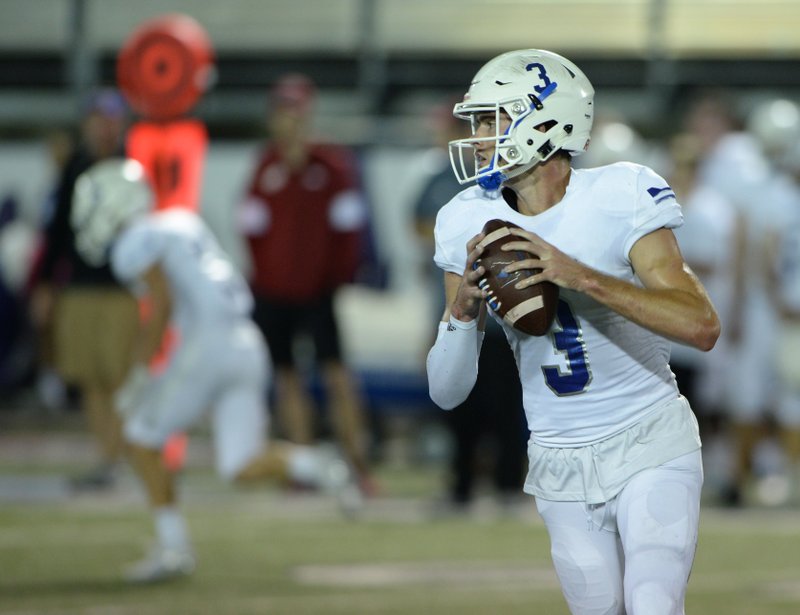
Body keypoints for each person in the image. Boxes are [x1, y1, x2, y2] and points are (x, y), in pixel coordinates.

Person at [426, 49, 720, 613]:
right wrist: (461, 312)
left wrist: (581, 276)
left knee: (653, 602)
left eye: (492, 119)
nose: (479, 135)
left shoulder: (621, 193)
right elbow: (447, 391)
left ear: (543, 119)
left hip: (648, 439)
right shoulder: (466, 216)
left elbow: (702, 326)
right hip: (558, 457)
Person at [70, 158, 359, 583]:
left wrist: (138, 373)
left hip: (208, 346)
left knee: (139, 437)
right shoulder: (181, 221)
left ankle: (173, 549)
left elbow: (162, 305)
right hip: (246, 341)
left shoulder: (135, 241)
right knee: (239, 464)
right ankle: (320, 466)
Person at [237, 73, 376, 494]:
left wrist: (333, 279)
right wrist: (265, 279)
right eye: (282, 112)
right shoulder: (266, 166)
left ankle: (358, 466)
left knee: (337, 376)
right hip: (274, 293)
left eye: (295, 111)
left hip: (318, 292)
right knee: (286, 377)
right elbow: (251, 227)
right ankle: (303, 467)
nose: (289, 121)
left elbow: (349, 230)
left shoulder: (330, 166)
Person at [412, 97, 527, 513]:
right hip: (470, 305)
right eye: (474, 126)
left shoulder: (548, 191)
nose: (478, 139)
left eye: (487, 125)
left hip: (518, 321)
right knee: (461, 401)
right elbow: (418, 225)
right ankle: (462, 483)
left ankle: (509, 483)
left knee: (506, 402)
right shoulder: (451, 193)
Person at [29, 89, 138, 490]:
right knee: (91, 377)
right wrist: (44, 285)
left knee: (121, 376)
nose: (104, 126)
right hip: (80, 286)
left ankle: (125, 455)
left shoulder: (135, 165)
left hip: (123, 288)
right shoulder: (75, 166)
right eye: (97, 118)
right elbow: (55, 233)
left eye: (110, 118)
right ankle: (106, 458)